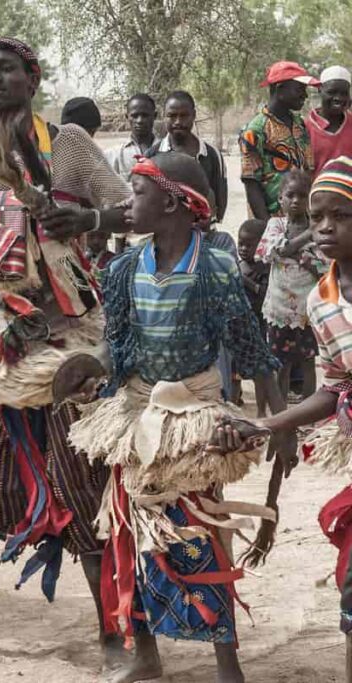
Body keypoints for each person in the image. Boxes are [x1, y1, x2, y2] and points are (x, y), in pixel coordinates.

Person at [0, 36, 132, 667]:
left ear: (31, 78)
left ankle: (111, 638)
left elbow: (130, 206)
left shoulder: (65, 144)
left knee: (85, 484)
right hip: (1, 345)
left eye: (5, 70)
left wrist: (90, 223)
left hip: (69, 339)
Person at [67, 152, 291, 683]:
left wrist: (280, 422)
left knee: (202, 532)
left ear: (170, 202)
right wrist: (86, 371)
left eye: (137, 193)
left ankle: (226, 663)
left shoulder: (212, 268)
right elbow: (117, 348)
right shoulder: (122, 268)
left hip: (195, 421)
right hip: (138, 415)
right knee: (132, 533)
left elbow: (250, 349)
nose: (127, 203)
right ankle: (144, 652)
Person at [214, 155, 352, 683]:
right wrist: (267, 425)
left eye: (340, 215)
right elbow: (335, 389)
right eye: (317, 216)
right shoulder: (323, 302)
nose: (324, 226)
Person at [255, 169, 327, 401]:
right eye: (290, 195)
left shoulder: (321, 231)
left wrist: (301, 257)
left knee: (308, 363)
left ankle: (308, 412)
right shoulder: (275, 225)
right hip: (279, 310)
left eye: (302, 196)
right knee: (281, 365)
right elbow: (275, 250)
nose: (296, 200)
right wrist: (308, 236)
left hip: (307, 312)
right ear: (280, 199)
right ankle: (282, 411)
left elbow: (324, 268)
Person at [241, 61, 318, 220]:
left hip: (301, 219)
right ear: (279, 89)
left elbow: (308, 171)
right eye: (299, 89)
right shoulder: (255, 130)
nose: (305, 95)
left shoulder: (299, 123)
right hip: (272, 220)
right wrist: (267, 228)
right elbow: (251, 184)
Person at [147, 90, 228, 223]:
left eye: (184, 115)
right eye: (172, 116)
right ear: (163, 116)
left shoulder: (212, 155)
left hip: (204, 232)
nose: (178, 122)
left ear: (194, 115)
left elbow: (220, 201)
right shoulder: (152, 156)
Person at [238, 218, 270, 416]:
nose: (243, 248)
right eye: (240, 243)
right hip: (239, 327)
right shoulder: (238, 264)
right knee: (235, 374)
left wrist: (244, 281)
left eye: (249, 245)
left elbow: (264, 294)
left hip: (258, 326)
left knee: (260, 373)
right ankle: (233, 407)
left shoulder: (265, 268)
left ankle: (260, 412)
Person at [307, 66, 352, 176]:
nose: (338, 98)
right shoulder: (304, 129)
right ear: (320, 90)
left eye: (344, 93)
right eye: (332, 92)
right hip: (314, 192)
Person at [106, 93, 157, 177]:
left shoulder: (167, 151)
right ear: (127, 117)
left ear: (154, 116)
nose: (140, 120)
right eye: (134, 116)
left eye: (145, 115)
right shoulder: (115, 155)